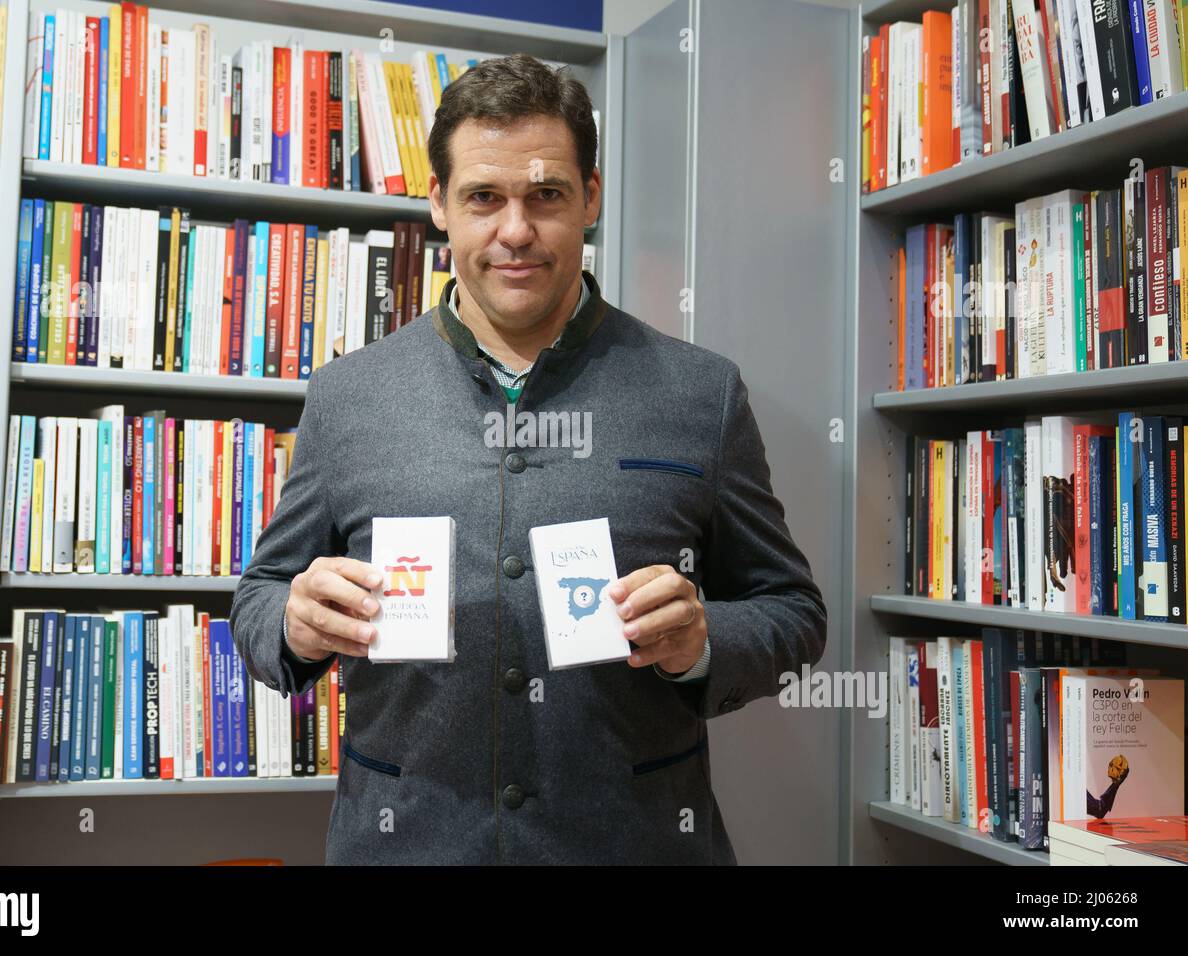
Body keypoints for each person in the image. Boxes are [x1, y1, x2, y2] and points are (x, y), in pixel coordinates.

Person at [229, 52, 828, 865]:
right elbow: (259, 599)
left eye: (545, 195)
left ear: (591, 197)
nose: (515, 230)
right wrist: (294, 624)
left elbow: (793, 614)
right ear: (439, 204)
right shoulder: (349, 396)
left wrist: (704, 640)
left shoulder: (701, 394)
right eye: (484, 197)